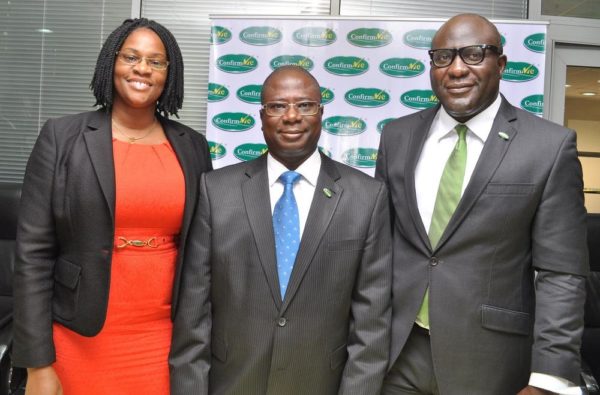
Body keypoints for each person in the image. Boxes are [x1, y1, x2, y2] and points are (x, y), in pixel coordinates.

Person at [376, 13, 589, 395]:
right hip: (397, 355)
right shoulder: (396, 136)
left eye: (474, 54)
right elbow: (378, 249)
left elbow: (563, 272)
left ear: (501, 64)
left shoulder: (548, 147)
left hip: (490, 363)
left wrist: (549, 378)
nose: (456, 69)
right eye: (443, 57)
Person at [13, 18, 212, 395]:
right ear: (111, 63)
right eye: (131, 57)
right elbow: (33, 255)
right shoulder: (62, 137)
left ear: (170, 74)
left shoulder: (192, 146)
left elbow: (203, 246)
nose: (143, 69)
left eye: (157, 62)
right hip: (79, 334)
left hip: (165, 336)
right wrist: (37, 362)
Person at [169, 65, 392, 395]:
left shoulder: (367, 197)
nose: (291, 117)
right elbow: (194, 316)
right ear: (261, 116)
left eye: (304, 105)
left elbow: (371, 326)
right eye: (277, 106)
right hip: (232, 383)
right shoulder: (217, 191)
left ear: (321, 113)